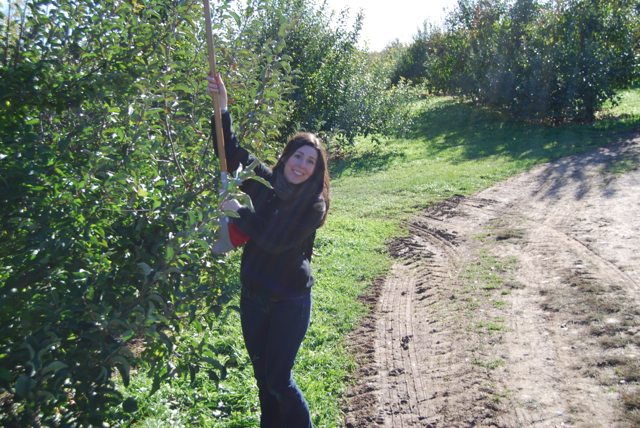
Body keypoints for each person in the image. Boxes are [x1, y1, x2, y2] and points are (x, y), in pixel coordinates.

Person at [206, 72, 330, 428]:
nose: (302, 166)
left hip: (290, 300)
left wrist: (240, 212)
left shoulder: (312, 206)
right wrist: (222, 105)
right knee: (263, 381)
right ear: (286, 156)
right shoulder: (263, 182)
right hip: (254, 297)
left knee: (278, 379)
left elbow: (276, 239)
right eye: (299, 157)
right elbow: (228, 151)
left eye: (311, 162)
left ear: (316, 171)